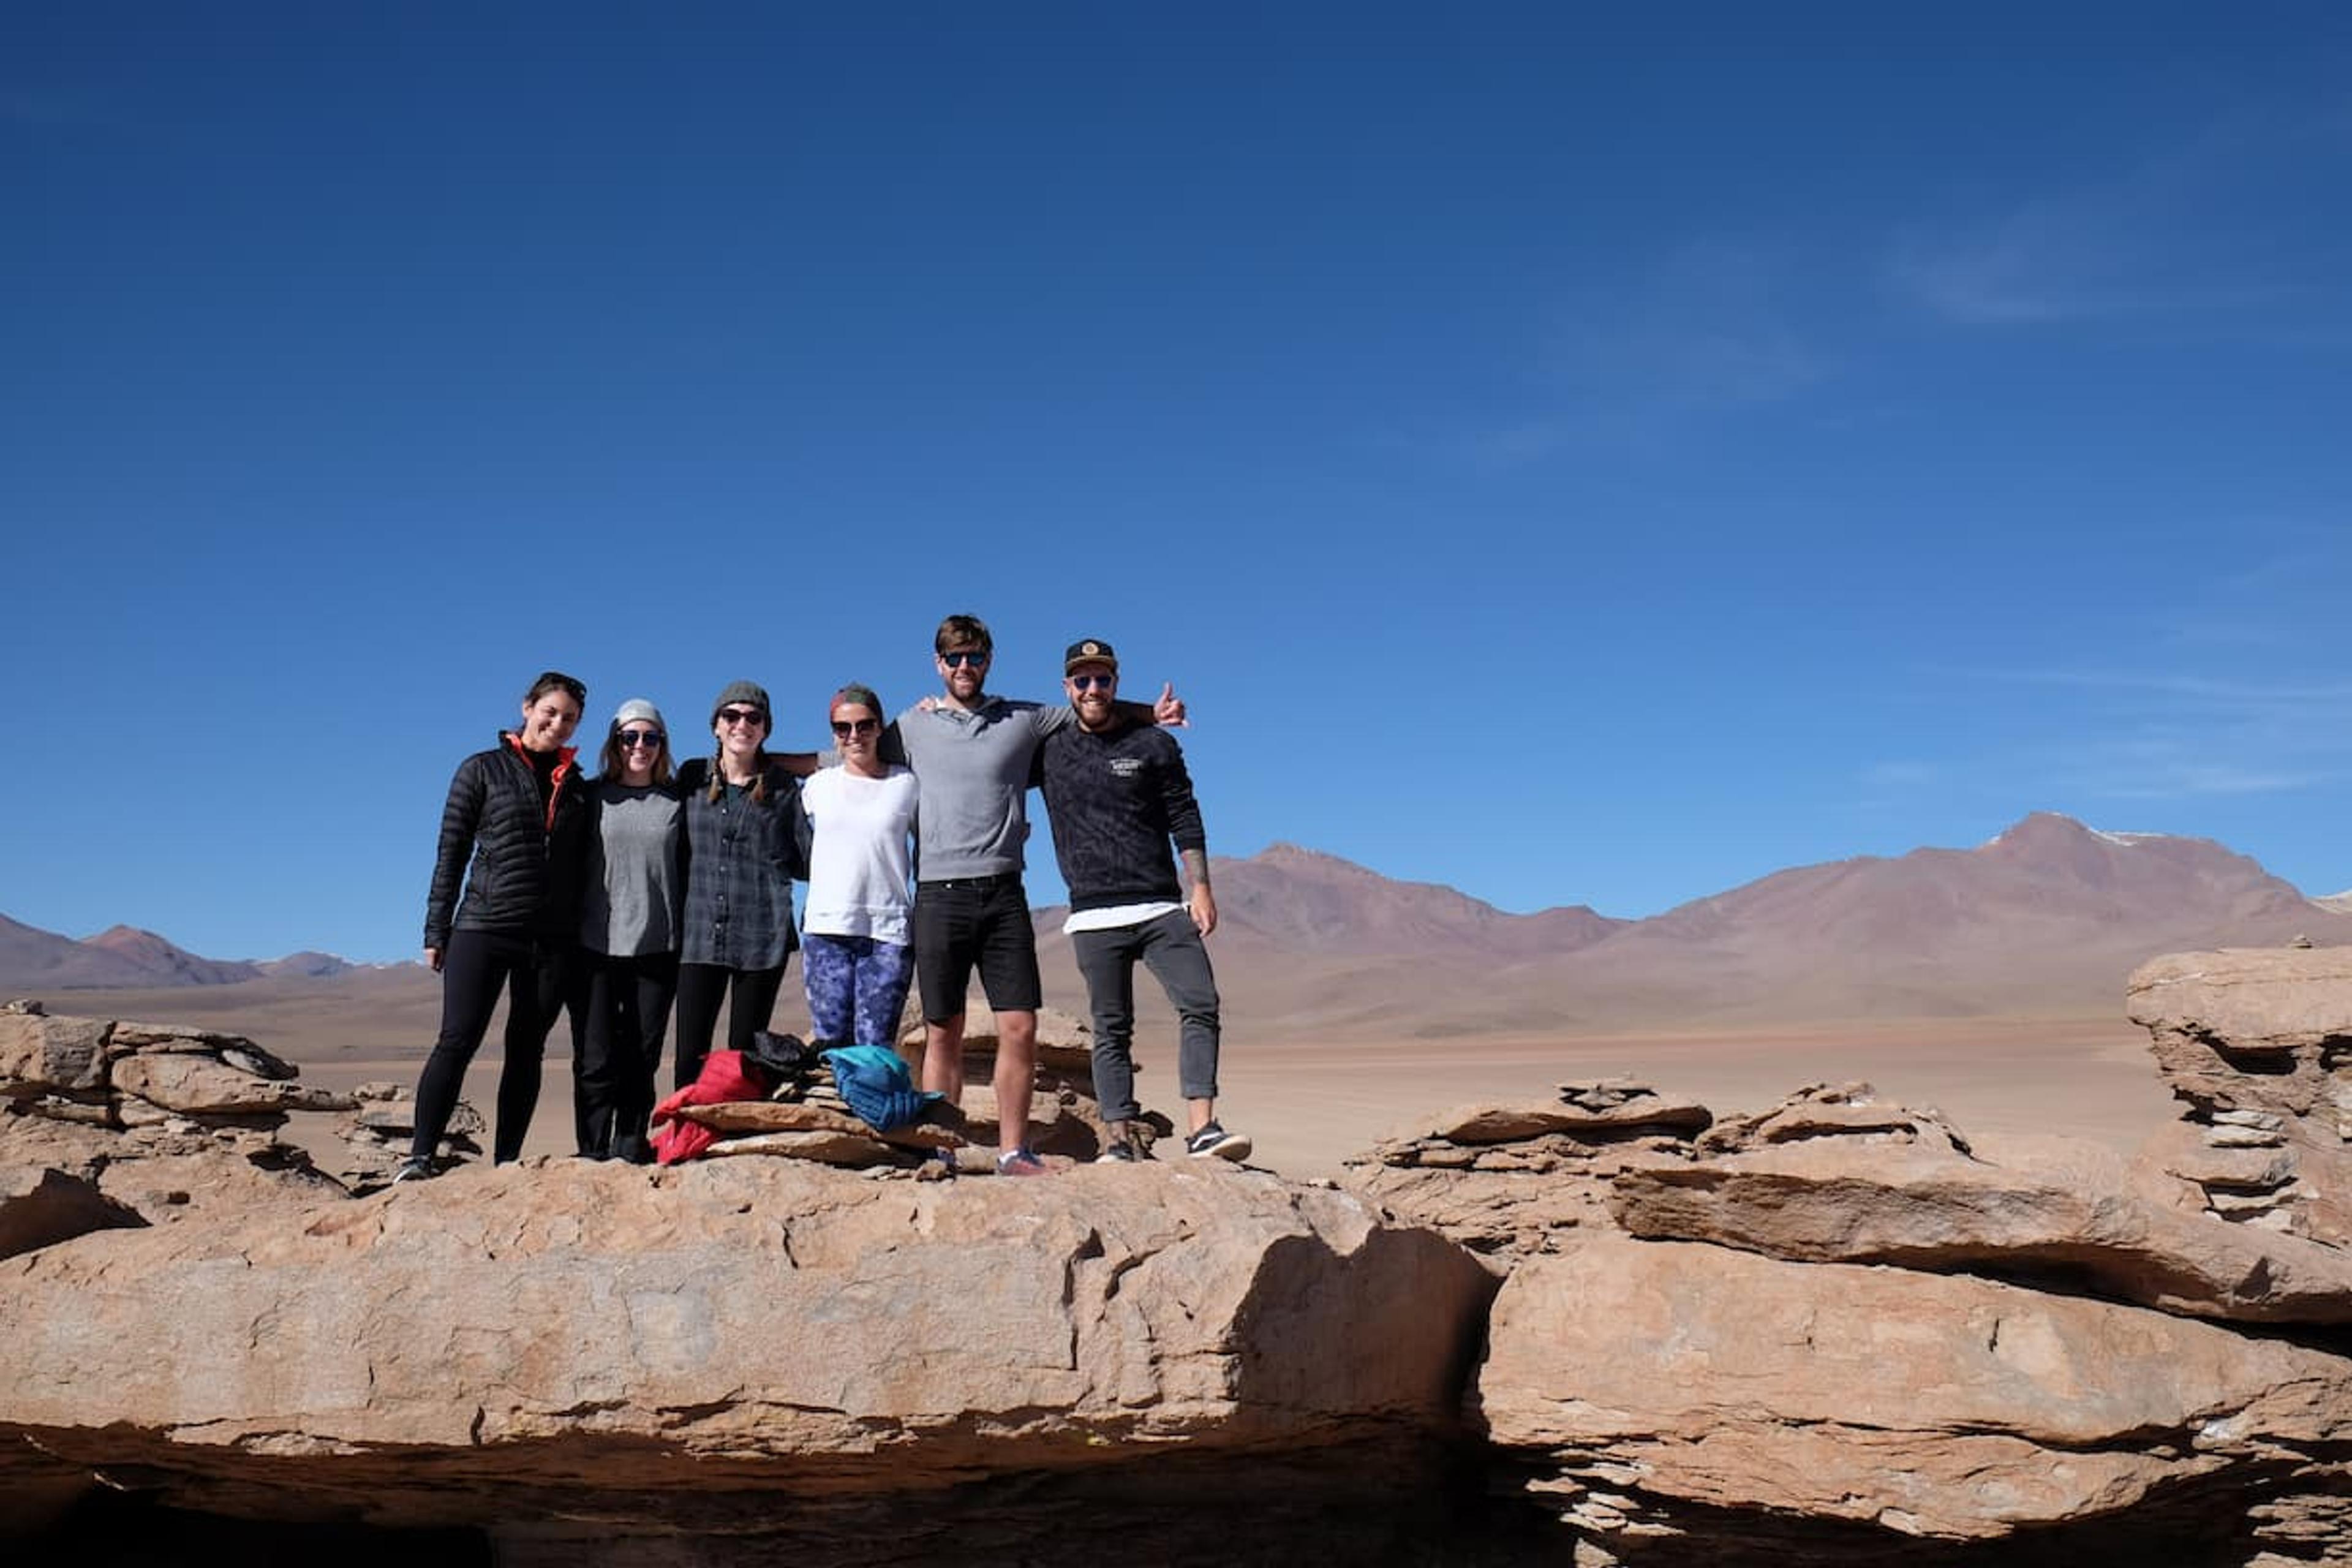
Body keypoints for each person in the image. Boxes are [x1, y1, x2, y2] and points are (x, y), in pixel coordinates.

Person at [784, 614, 1180, 1177]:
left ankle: (1014, 1151)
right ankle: (939, 1148)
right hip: (940, 895)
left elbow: (1092, 711)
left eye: (974, 657)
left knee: (1020, 1025)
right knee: (943, 1031)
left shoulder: (1023, 719)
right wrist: (761, 763)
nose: (963, 667)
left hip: (1003, 893)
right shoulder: (909, 727)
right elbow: (844, 754)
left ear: (989, 660)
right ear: (937, 664)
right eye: (953, 658)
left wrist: (1150, 713)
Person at [1039, 638, 1249, 1163]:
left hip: (1159, 904)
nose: (1092, 688)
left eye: (1102, 679)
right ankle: (1119, 1139)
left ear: (1115, 682)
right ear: (1067, 687)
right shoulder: (1048, 749)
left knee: (1200, 1004)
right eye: (1082, 680)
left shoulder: (1154, 745)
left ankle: (1203, 1129)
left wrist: (1200, 885)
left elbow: (1184, 814)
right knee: (1111, 1026)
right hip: (1093, 913)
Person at [399, 670, 592, 1181]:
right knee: (457, 1039)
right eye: (550, 711)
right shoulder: (482, 770)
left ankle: (506, 1162)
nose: (558, 723)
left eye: (569, 718)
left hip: (550, 939)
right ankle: (420, 1157)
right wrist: (435, 929)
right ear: (527, 707)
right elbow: (452, 852)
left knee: (527, 1049)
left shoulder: (577, 786)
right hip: (484, 926)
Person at [671, 680, 807, 1090]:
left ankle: (735, 1140)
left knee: (745, 1053)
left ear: (765, 729)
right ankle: (683, 1138)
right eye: (731, 715)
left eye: (753, 717)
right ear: (716, 725)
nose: (741, 724)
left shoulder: (784, 788)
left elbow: (808, 860)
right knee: (691, 1050)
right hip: (698, 933)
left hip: (761, 936)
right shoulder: (691, 778)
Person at [571, 698, 685, 1163]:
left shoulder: (678, 800)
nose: (640, 746)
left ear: (662, 744)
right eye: (630, 737)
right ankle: (592, 1149)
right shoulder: (591, 796)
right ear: (615, 743)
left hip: (659, 945)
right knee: (596, 1058)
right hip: (595, 944)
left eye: (650, 737)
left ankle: (630, 1143)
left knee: (642, 1056)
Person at [796, 684, 921, 1051]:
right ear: (833, 734)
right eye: (842, 728)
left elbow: (936, 835)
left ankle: (871, 1110)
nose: (854, 736)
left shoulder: (906, 783)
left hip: (889, 931)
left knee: (875, 1046)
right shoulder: (816, 787)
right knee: (831, 1044)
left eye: (864, 726)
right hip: (827, 928)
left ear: (880, 727)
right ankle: (831, 1110)